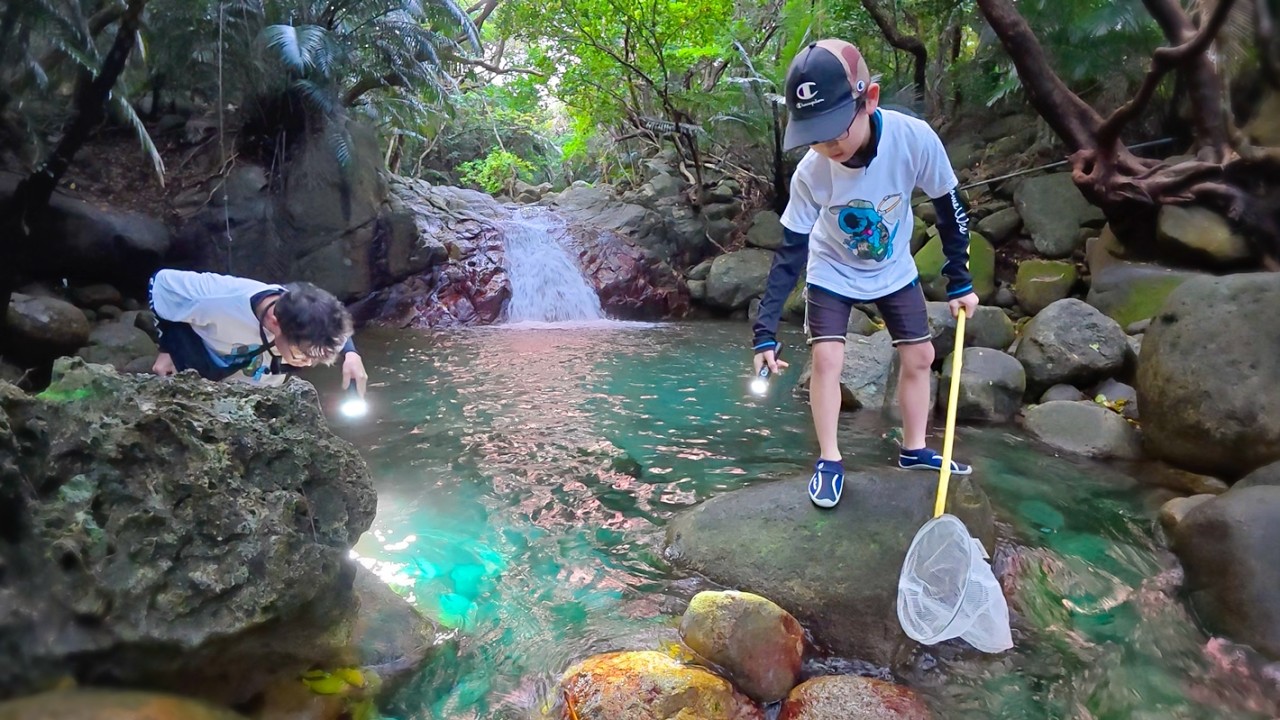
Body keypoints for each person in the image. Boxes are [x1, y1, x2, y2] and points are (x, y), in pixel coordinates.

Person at [751, 39, 978, 509]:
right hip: (831, 268)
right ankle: (830, 459)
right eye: (814, 136)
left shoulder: (913, 139)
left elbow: (950, 207)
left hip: (893, 266)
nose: (827, 146)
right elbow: (790, 253)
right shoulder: (811, 173)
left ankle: (914, 449)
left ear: (869, 99)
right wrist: (764, 333)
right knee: (827, 360)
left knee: (920, 356)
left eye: (835, 130)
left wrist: (960, 280)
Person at [148, 268, 369, 396]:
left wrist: (351, 355)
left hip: (257, 390)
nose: (309, 363)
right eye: (303, 354)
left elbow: (333, 326)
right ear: (275, 322)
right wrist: (167, 347)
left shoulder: (310, 316)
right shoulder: (215, 300)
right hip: (204, 364)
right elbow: (161, 283)